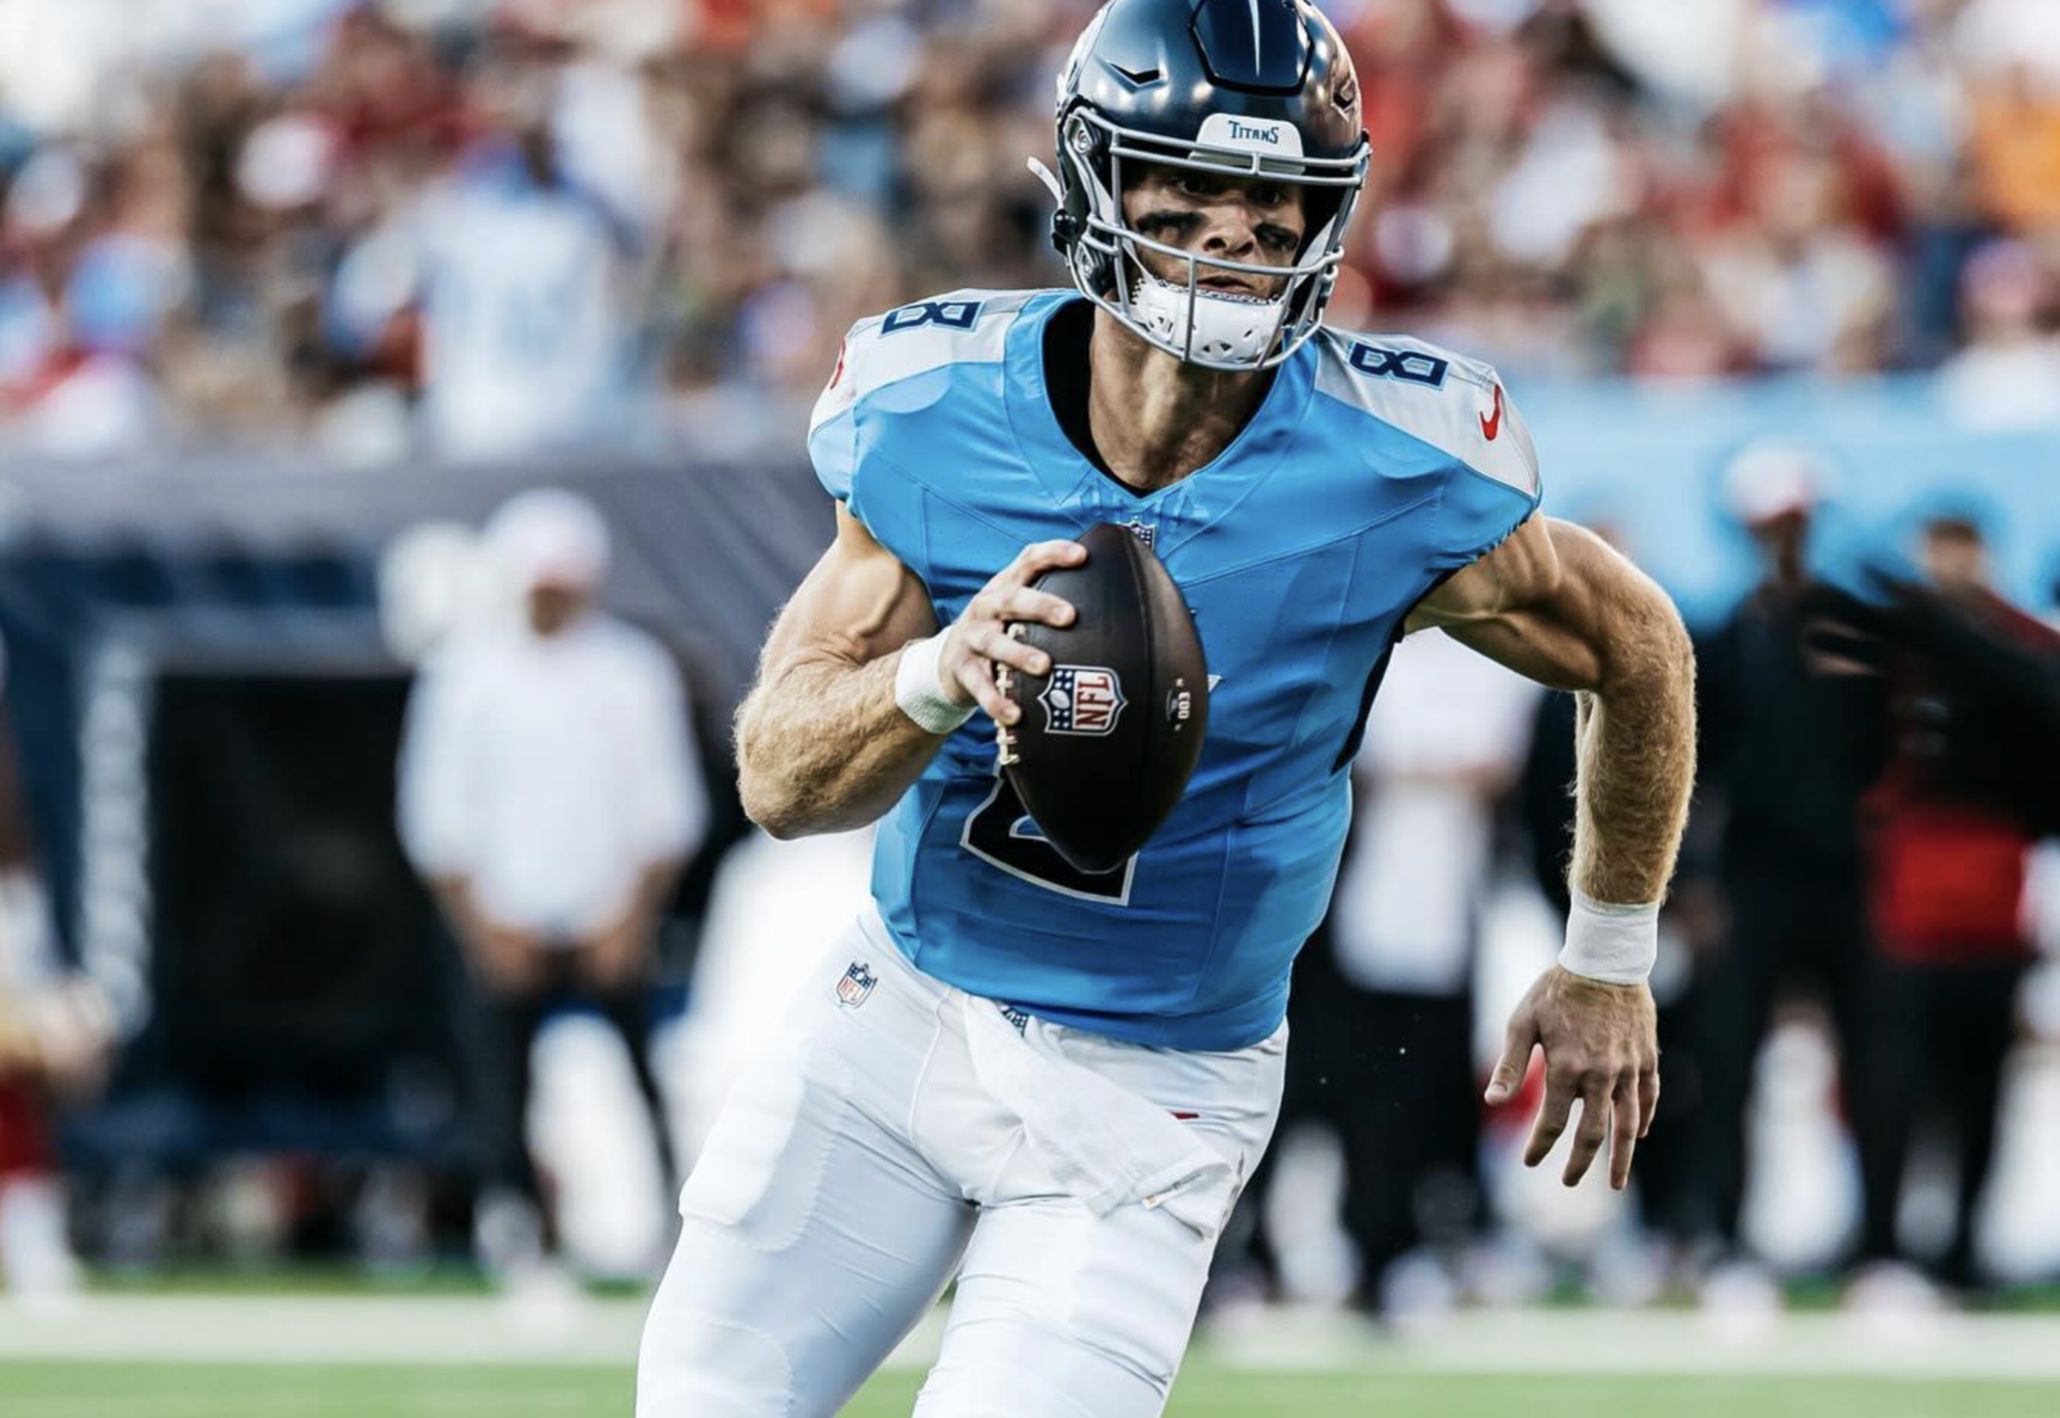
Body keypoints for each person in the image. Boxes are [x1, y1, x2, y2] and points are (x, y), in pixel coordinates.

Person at [636, 3, 1695, 1414]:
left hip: (1157, 1092)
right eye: (1185, 192)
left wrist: (1609, 954)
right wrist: (940, 670)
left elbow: (1640, 645)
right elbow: (778, 777)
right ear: (1092, 181)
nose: (1231, 237)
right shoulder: (934, 407)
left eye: (1273, 201)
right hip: (900, 1017)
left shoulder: (1393, 464)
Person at [397, 488, 705, 1283]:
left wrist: (629, 920)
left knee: (645, 1078)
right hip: (502, 919)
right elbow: (437, 811)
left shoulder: (633, 670)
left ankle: (674, 1232)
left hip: (611, 918)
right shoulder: (464, 675)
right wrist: (484, 926)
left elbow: (665, 805)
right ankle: (515, 1233)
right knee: (498, 1084)